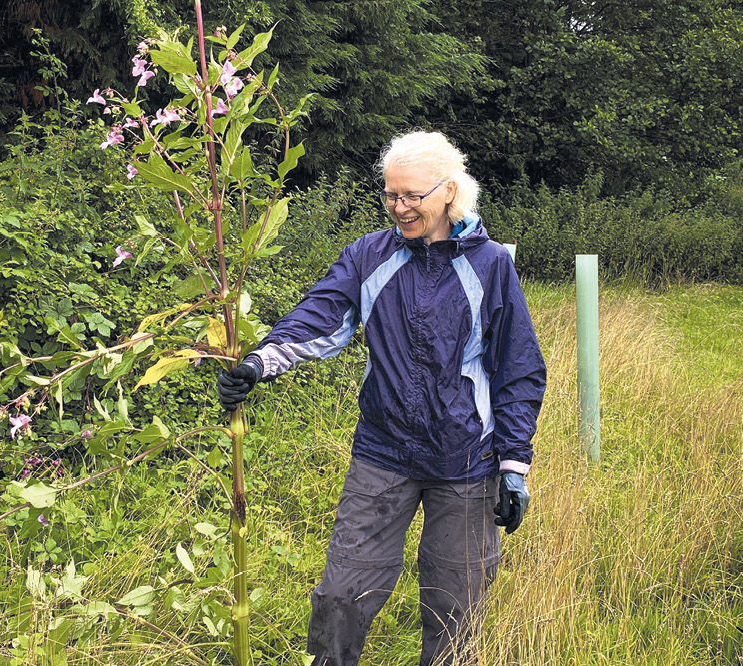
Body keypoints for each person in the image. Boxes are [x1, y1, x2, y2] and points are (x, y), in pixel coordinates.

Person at [216, 130, 546, 666]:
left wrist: (514, 465)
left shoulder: (489, 265)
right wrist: (261, 361)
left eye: (412, 195)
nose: (399, 207)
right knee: (341, 595)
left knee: (454, 612)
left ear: (448, 192)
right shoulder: (369, 255)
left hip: (465, 461)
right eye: (391, 195)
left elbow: (518, 368)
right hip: (383, 454)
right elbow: (323, 315)